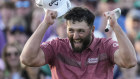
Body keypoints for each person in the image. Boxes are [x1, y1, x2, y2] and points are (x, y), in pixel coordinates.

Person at [20, 7, 137, 79]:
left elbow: (130, 61)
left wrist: (115, 27)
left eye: (81, 31)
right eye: (71, 30)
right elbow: (27, 59)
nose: (75, 36)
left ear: (92, 30)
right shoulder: (56, 46)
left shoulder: (105, 46)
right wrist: (45, 23)